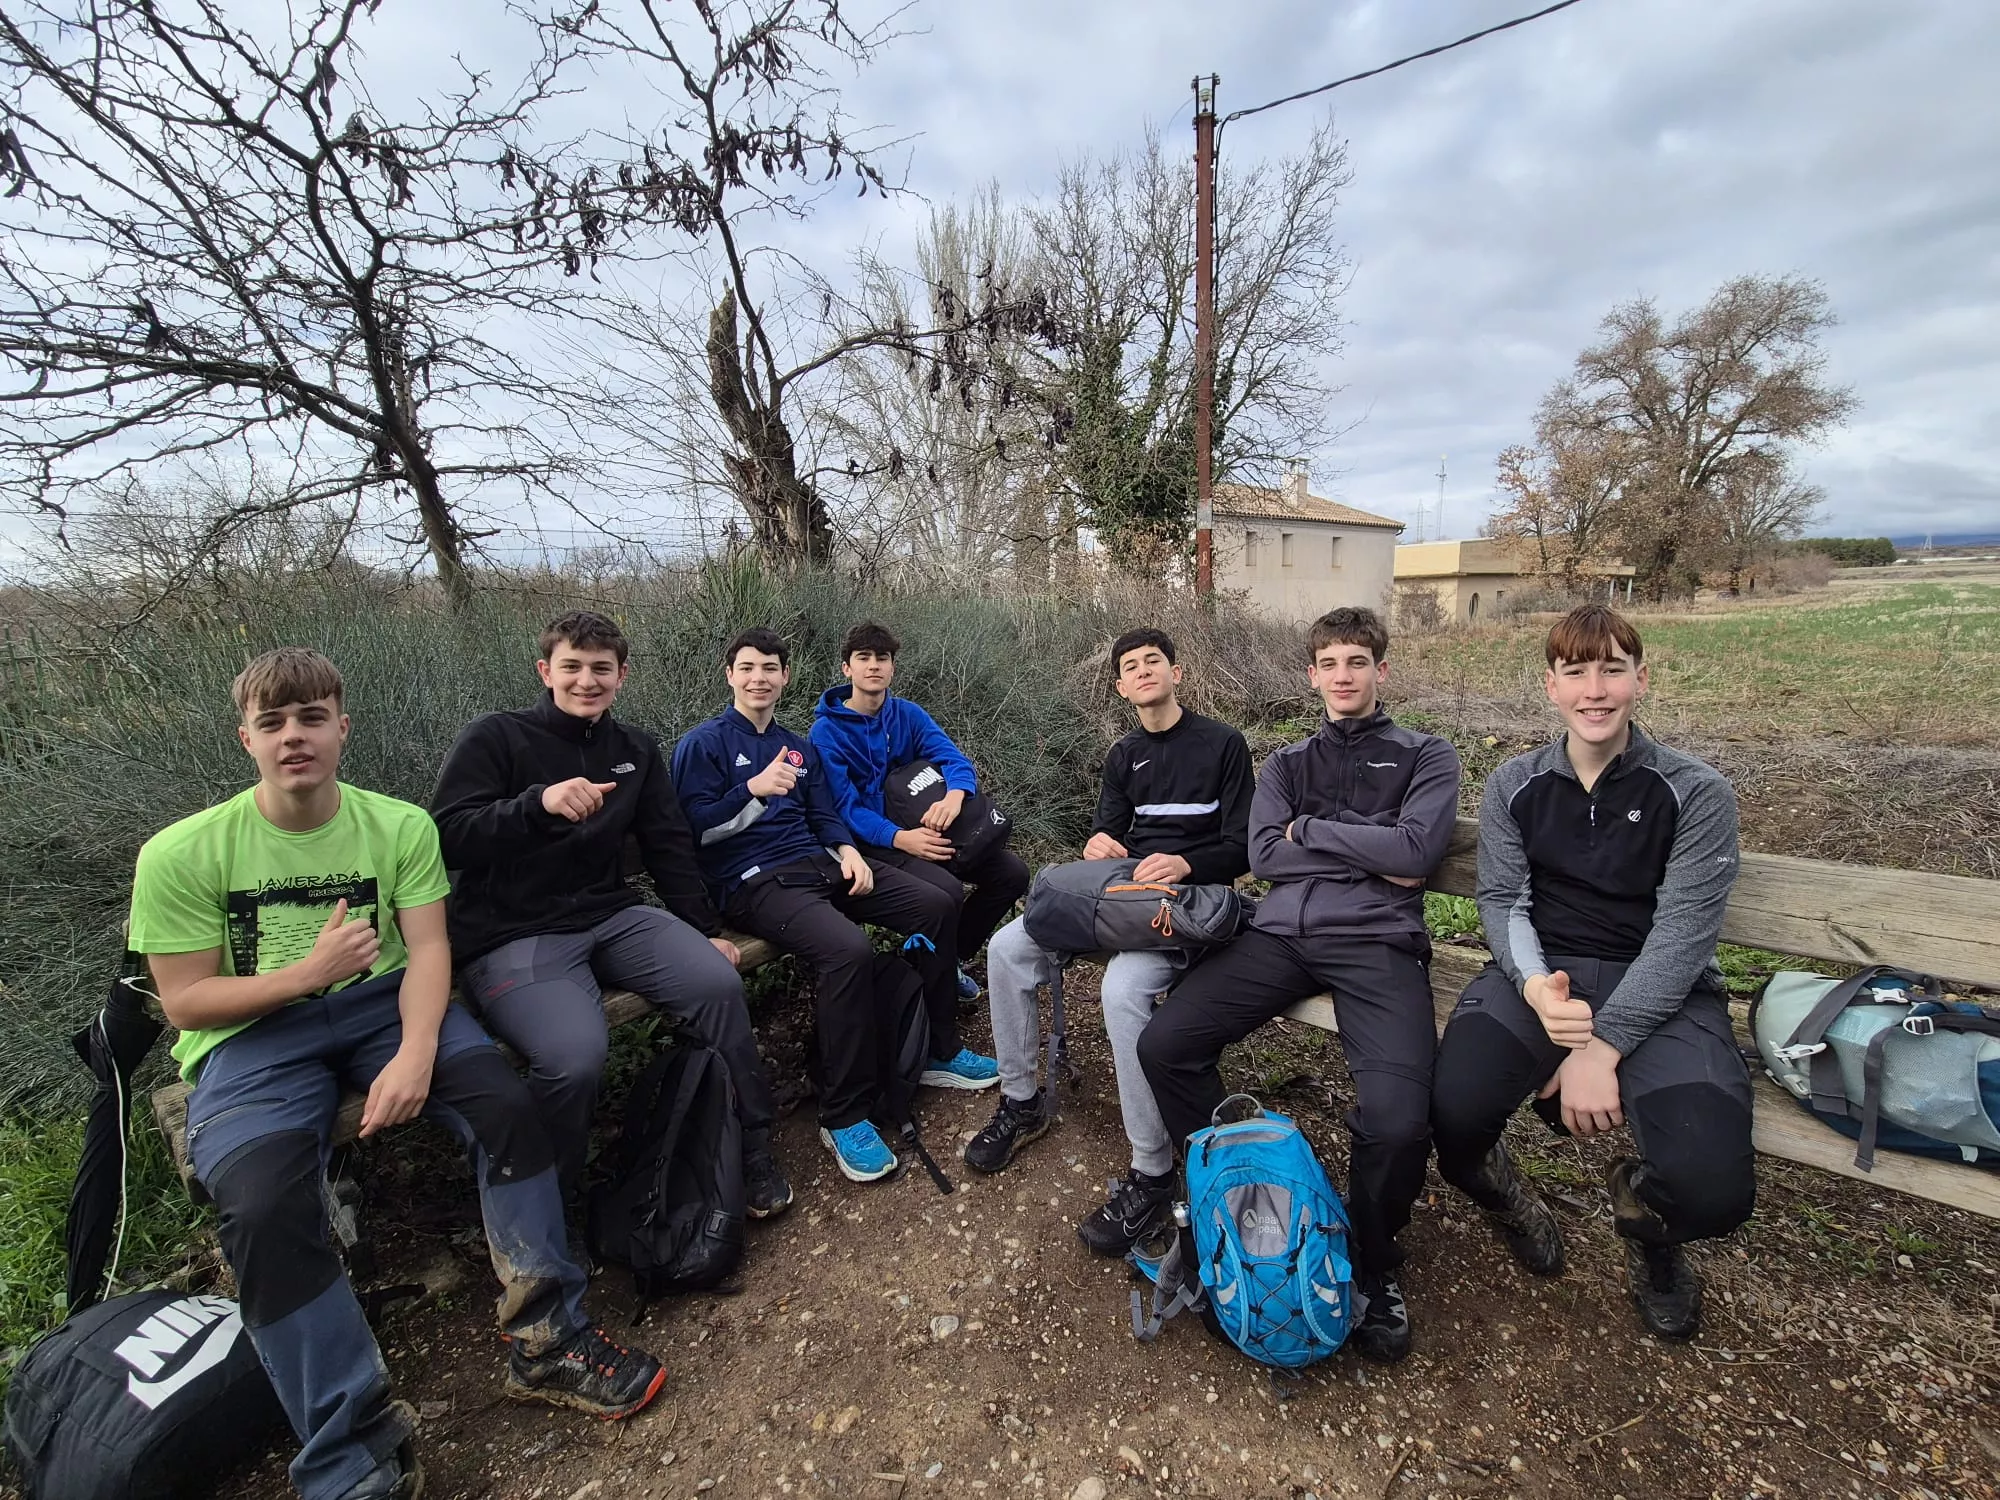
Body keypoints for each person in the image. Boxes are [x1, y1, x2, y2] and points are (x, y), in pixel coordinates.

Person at [129, 648, 663, 1500]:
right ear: (246, 739)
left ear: (343, 727)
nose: (293, 738)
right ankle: (349, 1445)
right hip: (252, 1039)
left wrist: (417, 1053)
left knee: (505, 1109)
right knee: (263, 1201)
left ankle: (549, 1339)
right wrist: (305, 976)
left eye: (311, 720)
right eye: (273, 724)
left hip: (390, 1008)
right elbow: (188, 1002)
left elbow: (427, 951)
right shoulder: (182, 853)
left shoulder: (397, 825)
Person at [1137, 606, 1461, 1365]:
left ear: (1382, 670)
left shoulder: (1426, 755)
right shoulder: (1285, 764)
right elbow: (1262, 857)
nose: (1343, 676)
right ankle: (1228, 1196)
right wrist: (1358, 849)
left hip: (1377, 945)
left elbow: (1415, 853)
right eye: (1330, 663)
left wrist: (1310, 833)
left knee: (1397, 1123)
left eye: (1358, 662)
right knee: (1166, 1042)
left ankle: (1374, 1265)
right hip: (1280, 937)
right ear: (1310, 674)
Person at [1430, 604, 1753, 1341]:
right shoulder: (1515, 784)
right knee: (1452, 1119)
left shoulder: (1695, 792)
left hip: (1664, 992)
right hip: (1548, 981)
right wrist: (1539, 990)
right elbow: (1505, 899)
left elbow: (1681, 936)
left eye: (1612, 669)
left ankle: (1649, 1223)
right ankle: (1509, 1196)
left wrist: (1597, 1051)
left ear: (1641, 679)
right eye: (1576, 672)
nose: (1595, 689)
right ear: (1551, 686)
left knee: (1712, 1189)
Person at [430, 610, 790, 1220]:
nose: (586, 681)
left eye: (602, 669)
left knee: (716, 983)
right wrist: (536, 806)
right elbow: (445, 836)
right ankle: (550, 1205)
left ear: (622, 676)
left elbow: (668, 843)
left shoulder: (633, 750)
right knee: (573, 1056)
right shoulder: (496, 737)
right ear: (546, 671)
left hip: (612, 915)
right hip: (516, 933)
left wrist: (704, 930)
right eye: (572, 667)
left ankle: (749, 1143)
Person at [964, 627, 1255, 1255]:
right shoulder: (1125, 754)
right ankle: (1021, 1101)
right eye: (1131, 666)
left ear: (1177, 674)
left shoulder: (1224, 745)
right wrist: (1100, 844)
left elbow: (1242, 847)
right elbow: (1106, 834)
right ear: (1122, 688)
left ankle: (1152, 1168)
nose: (1144, 670)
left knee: (1123, 988)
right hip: (1119, 898)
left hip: (1182, 906)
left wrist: (1184, 864)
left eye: (1155, 660)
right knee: (1007, 948)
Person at [671, 628, 999, 1184]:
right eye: (748, 668)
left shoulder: (797, 748)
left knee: (935, 904)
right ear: (729, 676)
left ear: (785, 678)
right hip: (755, 883)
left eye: (770, 668)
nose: (759, 678)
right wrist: (752, 789)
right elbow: (692, 833)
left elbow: (825, 814)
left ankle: (937, 1049)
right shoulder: (702, 746)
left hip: (817, 867)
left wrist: (849, 851)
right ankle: (844, 1114)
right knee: (847, 950)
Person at [809, 620, 1032, 998]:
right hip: (873, 842)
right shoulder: (826, 733)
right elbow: (845, 808)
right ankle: (933, 981)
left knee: (1012, 873)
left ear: (893, 666)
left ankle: (948, 960)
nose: (874, 665)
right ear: (847, 668)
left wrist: (955, 795)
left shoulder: (907, 714)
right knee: (945, 889)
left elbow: (953, 759)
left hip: (926, 827)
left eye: (883, 657)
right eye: (863, 658)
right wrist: (901, 839)